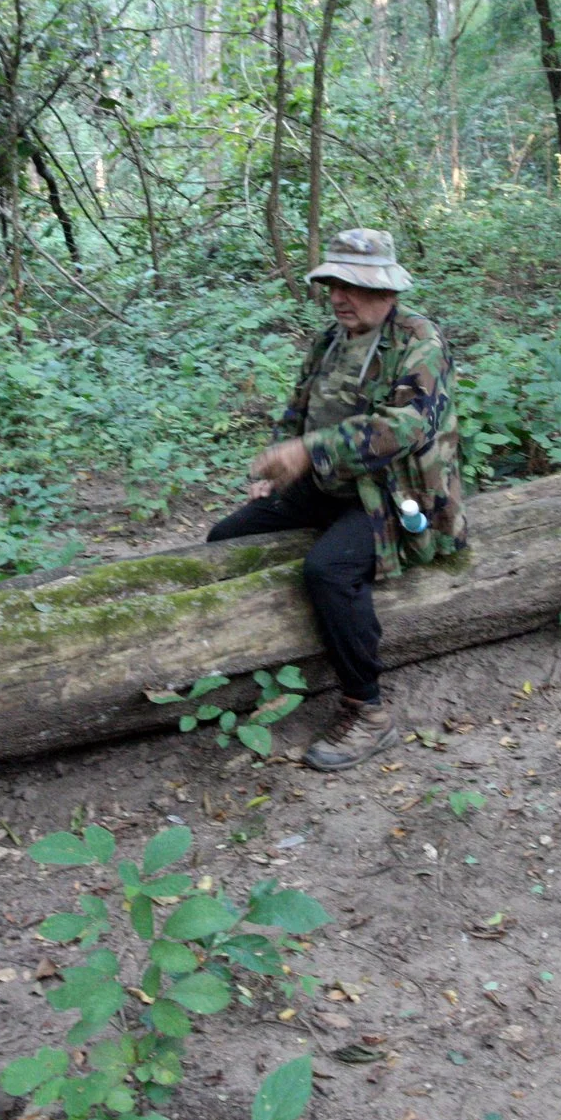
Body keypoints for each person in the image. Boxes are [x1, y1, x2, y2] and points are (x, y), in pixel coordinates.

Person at [208, 228, 466, 771]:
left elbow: (405, 429)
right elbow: (297, 410)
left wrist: (309, 451)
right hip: (324, 485)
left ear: (387, 291)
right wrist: (278, 466)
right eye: (332, 284)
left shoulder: (420, 343)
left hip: (396, 498)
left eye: (351, 285)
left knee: (328, 570)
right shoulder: (329, 340)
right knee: (226, 539)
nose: (338, 297)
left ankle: (367, 711)